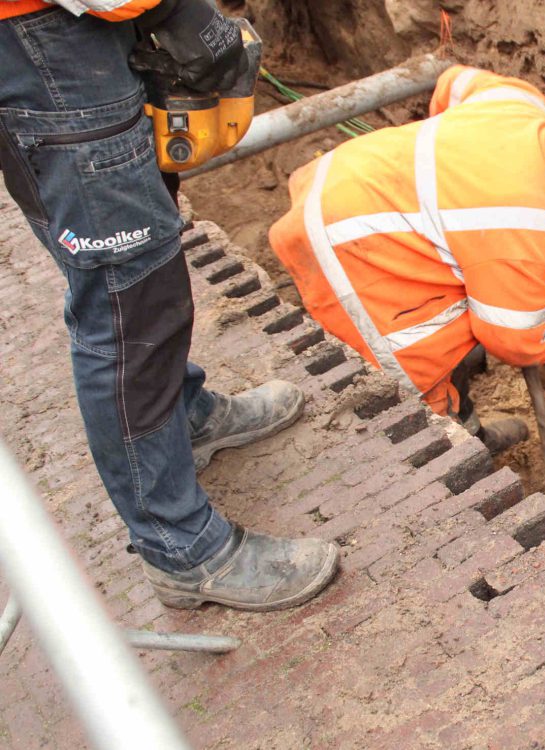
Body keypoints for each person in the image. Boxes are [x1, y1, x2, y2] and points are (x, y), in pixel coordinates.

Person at [0, 0, 338, 611]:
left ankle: (183, 416)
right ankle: (181, 549)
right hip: (38, 41)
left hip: (71, 33)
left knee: (142, 262)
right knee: (129, 304)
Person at [269, 65, 545, 447]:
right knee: (416, 375)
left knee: (462, 318)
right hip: (348, 246)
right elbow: (513, 340)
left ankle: (471, 432)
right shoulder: (528, 218)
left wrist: (448, 176)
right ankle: (455, 454)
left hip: (336, 181)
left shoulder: (519, 103)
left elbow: (454, 81)